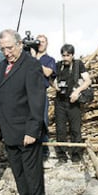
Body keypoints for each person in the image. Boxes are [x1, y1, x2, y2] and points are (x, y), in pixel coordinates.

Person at [0, 29, 46, 195]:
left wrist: (33, 130)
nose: (7, 52)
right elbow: (4, 97)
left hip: (26, 130)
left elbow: (36, 100)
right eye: (3, 49)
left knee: (32, 174)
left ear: (20, 44)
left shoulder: (31, 64)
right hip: (9, 130)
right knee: (18, 171)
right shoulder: (3, 65)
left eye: (10, 47)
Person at [53, 44, 91, 163]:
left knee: (75, 129)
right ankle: (62, 155)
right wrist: (55, 86)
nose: (65, 58)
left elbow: (88, 80)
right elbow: (49, 78)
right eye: (63, 55)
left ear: (72, 55)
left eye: (68, 55)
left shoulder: (78, 65)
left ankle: (76, 154)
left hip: (73, 102)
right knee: (60, 129)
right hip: (60, 101)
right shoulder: (58, 65)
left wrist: (77, 91)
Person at [34, 34, 56, 162]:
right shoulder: (27, 57)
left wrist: (34, 60)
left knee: (42, 121)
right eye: (39, 42)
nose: (41, 44)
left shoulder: (49, 60)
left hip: (41, 92)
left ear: (47, 44)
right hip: (26, 93)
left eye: (43, 42)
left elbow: (48, 73)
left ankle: (44, 151)